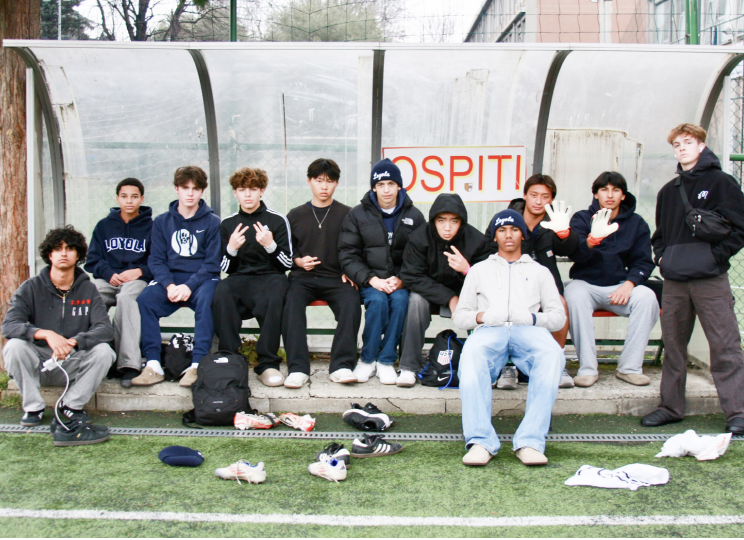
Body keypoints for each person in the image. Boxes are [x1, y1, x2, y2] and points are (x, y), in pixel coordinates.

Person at [642, 124, 744, 434]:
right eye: (676, 144)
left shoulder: (722, 183)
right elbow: (659, 235)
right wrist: (662, 258)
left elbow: (740, 228)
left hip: (710, 280)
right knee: (673, 346)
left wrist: (714, 258)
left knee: (725, 346)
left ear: (701, 145)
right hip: (674, 282)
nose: (682, 148)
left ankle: (737, 413)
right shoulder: (668, 192)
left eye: (688, 142)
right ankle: (670, 407)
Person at [454, 210, 566, 467]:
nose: (508, 235)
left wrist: (532, 319)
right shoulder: (479, 270)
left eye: (514, 229)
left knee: (552, 354)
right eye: (502, 230)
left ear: (523, 234)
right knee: (471, 355)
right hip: (490, 330)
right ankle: (481, 441)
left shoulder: (539, 271)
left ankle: (530, 441)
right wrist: (483, 316)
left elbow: (558, 317)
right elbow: (461, 316)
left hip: (529, 330)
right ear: (495, 235)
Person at [2, 226, 114, 445]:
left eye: (70, 248)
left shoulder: (88, 289)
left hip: (72, 363)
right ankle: (33, 407)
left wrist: (74, 342)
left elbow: (104, 329)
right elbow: (9, 325)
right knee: (14, 346)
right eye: (58, 248)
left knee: (104, 351)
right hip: (40, 363)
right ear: (49, 254)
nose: (64, 253)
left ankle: (71, 405)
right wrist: (45, 334)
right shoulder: (31, 287)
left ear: (78, 255)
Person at [565, 171, 658, 388]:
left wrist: (629, 284)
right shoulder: (581, 218)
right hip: (586, 284)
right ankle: (587, 368)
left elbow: (644, 261)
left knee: (647, 298)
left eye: (616, 190)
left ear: (623, 196)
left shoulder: (636, 223)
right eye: (604, 189)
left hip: (620, 286)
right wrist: (591, 240)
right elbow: (574, 253)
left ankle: (629, 368)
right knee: (573, 294)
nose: (610, 194)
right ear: (596, 194)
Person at [485, 174, 578, 390]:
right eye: (534, 195)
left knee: (560, 304)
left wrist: (564, 233)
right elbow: (487, 249)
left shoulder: (555, 221)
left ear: (552, 200)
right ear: (525, 195)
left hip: (545, 286)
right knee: (507, 307)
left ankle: (557, 362)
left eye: (545, 196)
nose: (538, 201)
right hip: (509, 284)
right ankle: (508, 366)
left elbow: (571, 250)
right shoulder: (506, 218)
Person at [338, 158, 425, 384]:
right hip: (370, 281)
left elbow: (421, 255)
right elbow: (348, 254)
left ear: (399, 186)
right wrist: (371, 279)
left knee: (400, 301)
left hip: (399, 281)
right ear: (373, 187)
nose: (386, 190)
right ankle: (367, 360)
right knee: (376, 302)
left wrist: (403, 280)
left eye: (391, 184)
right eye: (380, 185)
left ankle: (386, 360)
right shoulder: (357, 215)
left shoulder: (414, 216)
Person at [133, 166, 221, 388]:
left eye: (196, 188)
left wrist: (189, 286)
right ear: (176, 189)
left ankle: (197, 364)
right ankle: (153, 364)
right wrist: (170, 285)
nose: (190, 193)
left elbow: (212, 264)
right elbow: (156, 260)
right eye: (185, 188)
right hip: (171, 280)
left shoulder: (212, 222)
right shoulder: (162, 221)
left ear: (202, 191)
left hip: (200, 280)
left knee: (209, 299)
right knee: (145, 300)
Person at [282, 159, 361, 387]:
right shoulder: (295, 215)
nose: (324, 187)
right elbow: (285, 249)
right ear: (310, 182)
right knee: (291, 303)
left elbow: (356, 248)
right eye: (319, 181)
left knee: (351, 302)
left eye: (329, 181)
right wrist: (298, 260)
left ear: (336, 183)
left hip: (336, 277)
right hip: (302, 278)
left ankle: (342, 366)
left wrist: (350, 270)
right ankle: (297, 368)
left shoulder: (348, 214)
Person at [397, 193, 491, 387]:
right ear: (433, 220)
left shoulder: (477, 240)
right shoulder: (419, 237)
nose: (447, 227)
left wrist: (467, 270)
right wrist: (449, 297)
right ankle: (408, 366)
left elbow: (488, 280)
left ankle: (486, 363)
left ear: (461, 222)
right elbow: (411, 275)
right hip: (429, 292)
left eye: (453, 221)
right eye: (441, 221)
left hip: (466, 293)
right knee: (415, 300)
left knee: (485, 303)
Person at [213, 167, 292, 388]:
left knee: (279, 288)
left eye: (253, 189)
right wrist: (231, 249)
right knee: (221, 290)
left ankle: (267, 364)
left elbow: (287, 263)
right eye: (242, 189)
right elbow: (225, 268)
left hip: (270, 277)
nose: (248, 194)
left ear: (262, 191)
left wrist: (271, 245)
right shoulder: (228, 224)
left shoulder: (277, 220)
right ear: (235, 193)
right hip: (240, 278)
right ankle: (229, 357)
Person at [84, 178, 152, 388]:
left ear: (142, 198)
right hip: (109, 279)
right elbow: (92, 260)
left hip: (136, 280)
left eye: (134, 196)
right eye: (124, 196)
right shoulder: (104, 226)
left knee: (127, 298)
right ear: (117, 198)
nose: (129, 201)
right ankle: (88, 356)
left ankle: (129, 364)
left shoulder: (152, 227)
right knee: (90, 293)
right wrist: (108, 273)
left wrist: (139, 271)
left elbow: (159, 261)